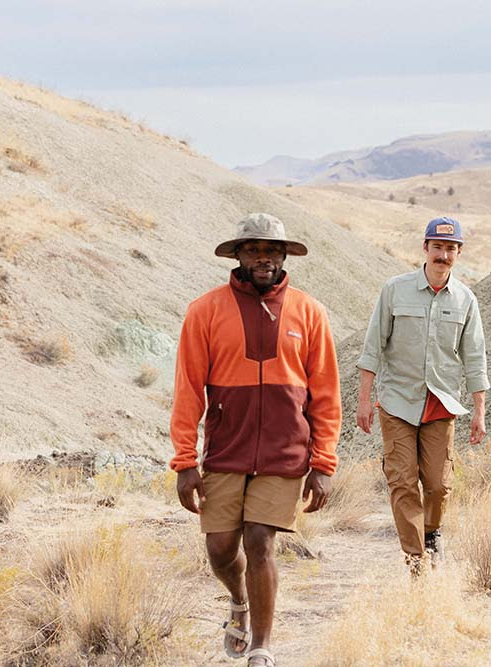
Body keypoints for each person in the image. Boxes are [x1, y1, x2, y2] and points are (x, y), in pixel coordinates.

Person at [170, 212, 341, 667]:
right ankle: (239, 600)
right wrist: (184, 461)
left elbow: (326, 394)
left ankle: (262, 646)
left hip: (285, 452)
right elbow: (188, 390)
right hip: (226, 450)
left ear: (284, 256)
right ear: (238, 256)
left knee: (260, 540)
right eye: (253, 250)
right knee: (220, 549)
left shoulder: (309, 312)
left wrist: (323, 463)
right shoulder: (204, 311)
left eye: (271, 250)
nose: (263, 258)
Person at [355, 216, 489, 574]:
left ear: (458, 252)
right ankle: (416, 559)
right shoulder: (394, 290)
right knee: (402, 481)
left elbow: (475, 357)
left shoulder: (466, 300)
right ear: (425, 248)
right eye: (437, 247)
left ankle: (431, 533)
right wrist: (364, 400)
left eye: (450, 248)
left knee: (438, 485)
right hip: (397, 401)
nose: (443, 255)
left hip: (441, 403)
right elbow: (373, 347)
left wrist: (479, 410)